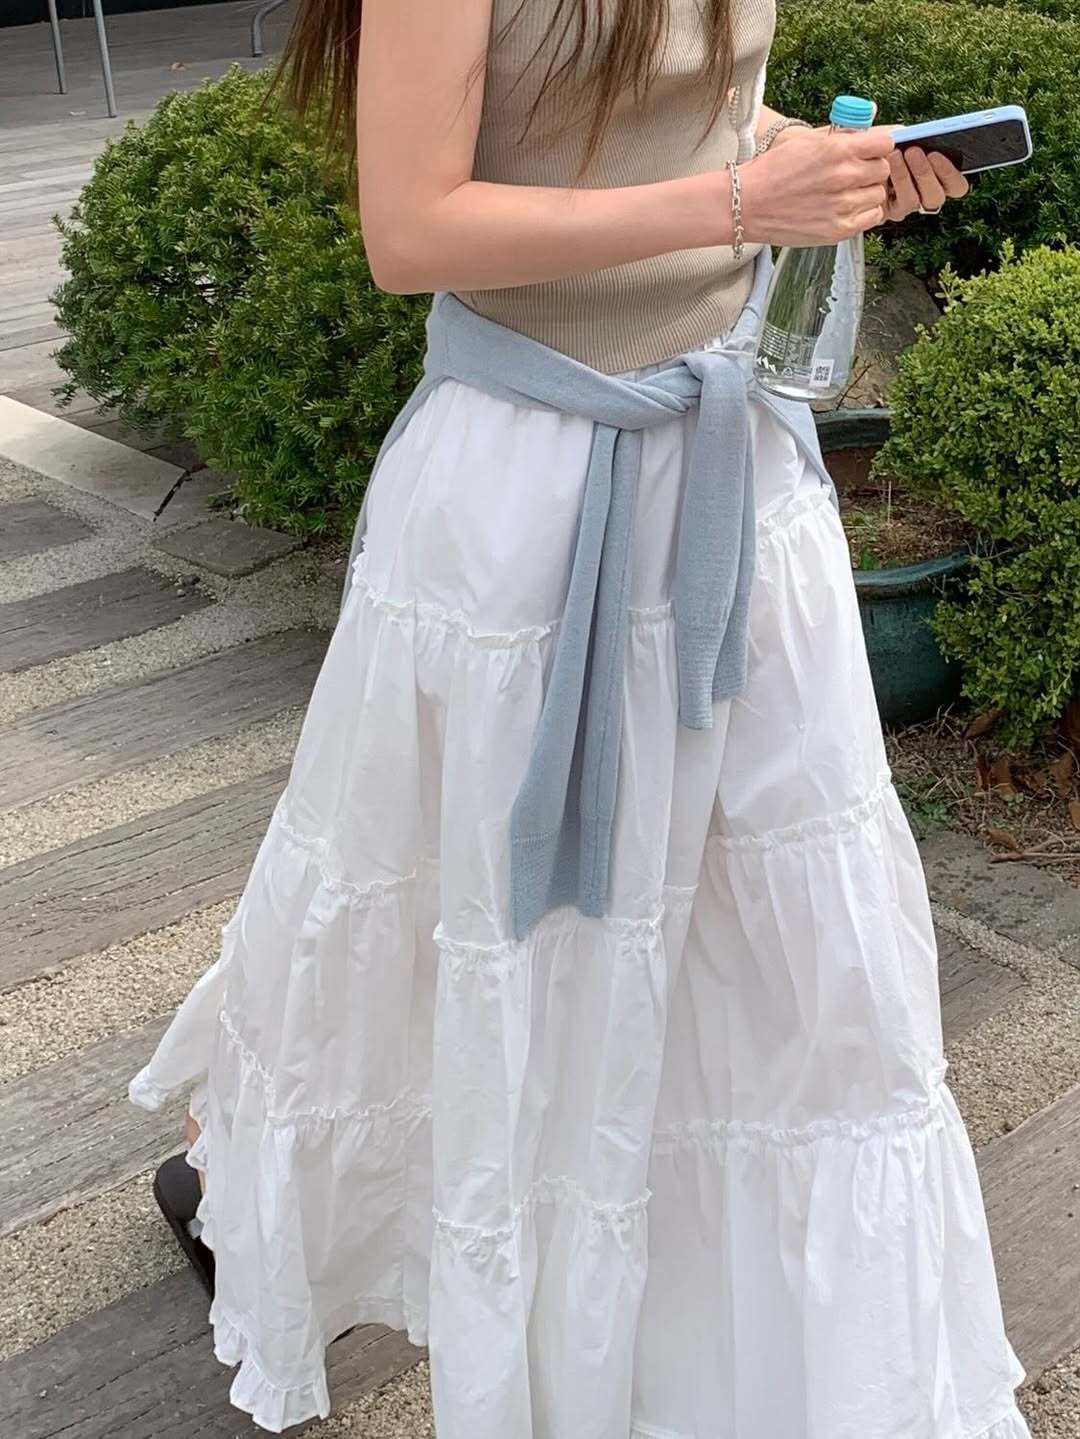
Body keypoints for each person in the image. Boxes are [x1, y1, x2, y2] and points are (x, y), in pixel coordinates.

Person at [130, 1, 1032, 1436]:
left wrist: (824, 163)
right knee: (482, 909)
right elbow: (410, 228)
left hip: (732, 470)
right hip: (533, 496)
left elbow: (693, 115)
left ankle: (764, 1366)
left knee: (795, 962)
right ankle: (250, 1171)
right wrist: (743, 202)